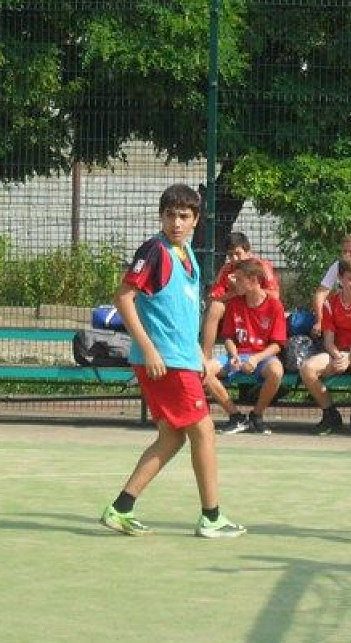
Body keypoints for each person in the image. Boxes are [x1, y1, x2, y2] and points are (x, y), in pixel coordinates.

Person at [100, 183, 246, 539]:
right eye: (170, 215)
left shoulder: (187, 255)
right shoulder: (154, 250)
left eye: (183, 216)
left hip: (181, 359)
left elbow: (180, 313)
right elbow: (123, 298)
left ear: (195, 220)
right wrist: (149, 349)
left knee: (171, 438)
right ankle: (211, 518)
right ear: (161, 217)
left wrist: (198, 353)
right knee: (204, 430)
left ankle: (120, 509)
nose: (176, 222)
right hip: (164, 362)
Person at [204, 258, 286, 435]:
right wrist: (233, 355)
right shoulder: (234, 303)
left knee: (276, 371)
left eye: (239, 279)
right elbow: (228, 338)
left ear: (254, 281)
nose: (234, 282)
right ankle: (236, 417)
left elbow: (277, 345)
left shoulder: (274, 305)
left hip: (263, 357)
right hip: (237, 356)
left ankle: (256, 416)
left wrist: (256, 359)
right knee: (204, 370)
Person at [302, 255, 351, 436]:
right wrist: (338, 355)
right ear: (340, 278)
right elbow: (328, 341)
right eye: (350, 279)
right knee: (307, 368)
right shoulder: (330, 303)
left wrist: (350, 357)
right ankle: (330, 413)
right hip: (338, 354)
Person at [199, 231, 280, 358]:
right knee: (215, 307)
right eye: (230, 255)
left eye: (238, 254)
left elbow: (275, 295)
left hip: (258, 313)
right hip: (235, 314)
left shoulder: (261, 267)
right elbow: (211, 299)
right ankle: (205, 358)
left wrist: (248, 289)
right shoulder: (227, 269)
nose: (234, 259)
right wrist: (234, 292)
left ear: (248, 252)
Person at [310, 231, 351, 338]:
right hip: (336, 318)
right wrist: (320, 320)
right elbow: (321, 293)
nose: (347, 256)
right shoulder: (338, 266)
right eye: (344, 252)